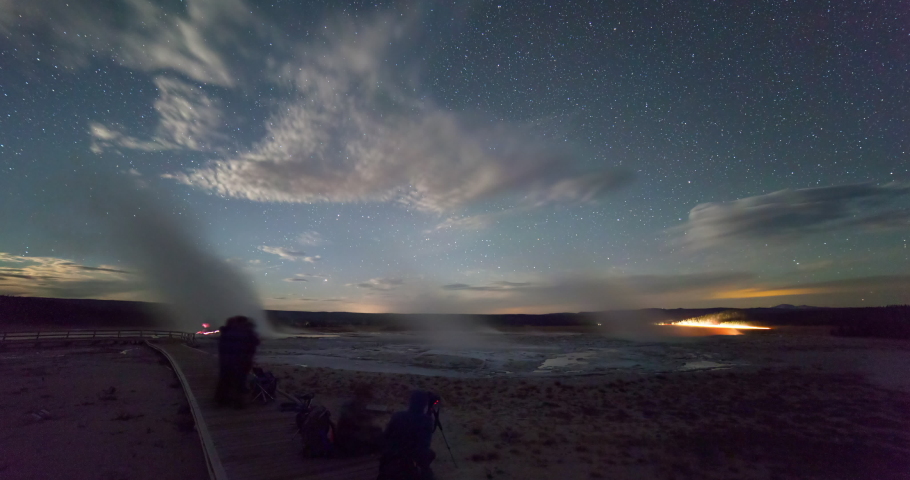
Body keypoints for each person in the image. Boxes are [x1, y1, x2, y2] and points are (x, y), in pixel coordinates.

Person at [377, 390, 437, 480]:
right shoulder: (426, 421)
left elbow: (386, 435)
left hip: (393, 452)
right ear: (424, 405)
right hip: (410, 457)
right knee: (430, 456)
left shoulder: (398, 416)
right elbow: (424, 445)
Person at [214, 315, 260, 408]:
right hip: (242, 361)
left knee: (224, 380)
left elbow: (222, 346)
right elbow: (255, 342)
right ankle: (239, 403)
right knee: (240, 382)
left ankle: (221, 400)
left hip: (225, 360)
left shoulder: (226, 332)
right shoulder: (245, 332)